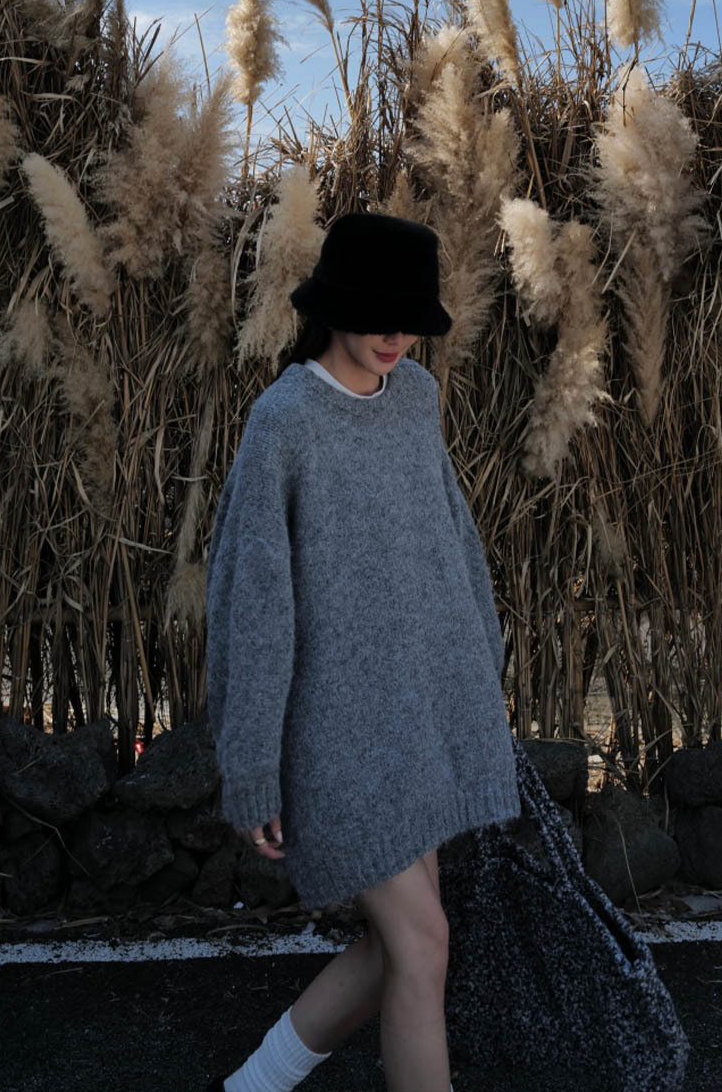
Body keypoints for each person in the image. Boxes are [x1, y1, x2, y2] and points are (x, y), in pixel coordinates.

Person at [203, 212, 521, 1092]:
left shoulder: (415, 398)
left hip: (411, 722)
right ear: (333, 305)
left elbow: (452, 541)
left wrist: (478, 674)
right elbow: (252, 609)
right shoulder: (285, 422)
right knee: (423, 942)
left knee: (394, 948)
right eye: (378, 315)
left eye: (409, 319)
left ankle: (252, 1085)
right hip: (331, 736)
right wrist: (251, 764)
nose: (394, 336)